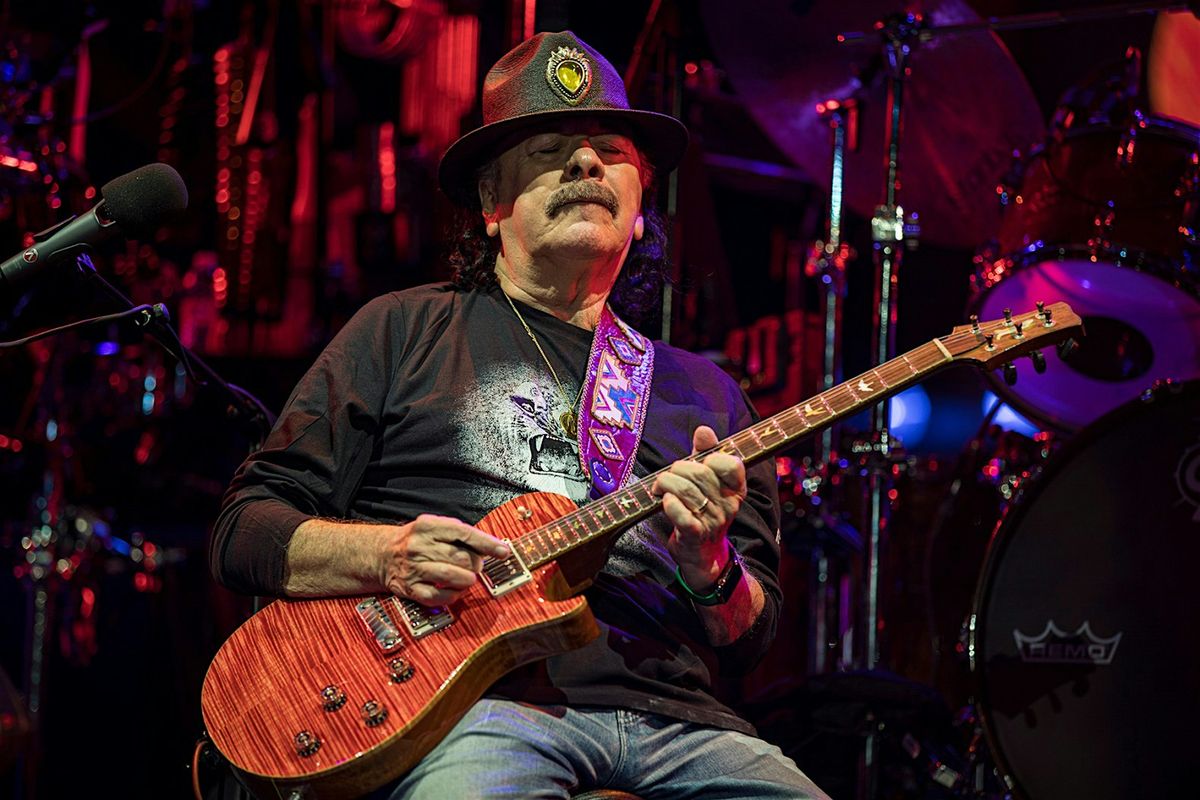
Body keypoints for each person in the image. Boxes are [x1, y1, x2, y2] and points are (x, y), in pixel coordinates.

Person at [210, 30, 828, 800]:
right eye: (549, 150)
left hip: (682, 726)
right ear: (491, 205)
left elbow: (747, 640)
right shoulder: (403, 329)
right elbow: (244, 530)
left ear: (641, 209)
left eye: (610, 150)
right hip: (475, 707)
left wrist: (710, 566)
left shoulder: (708, 395)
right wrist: (387, 554)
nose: (586, 163)